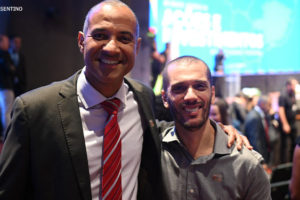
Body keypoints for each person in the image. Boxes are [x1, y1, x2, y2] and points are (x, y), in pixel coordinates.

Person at [0, 1, 248, 200]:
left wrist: (218, 131)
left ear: (137, 47)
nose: (111, 47)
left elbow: (177, 131)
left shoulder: (143, 98)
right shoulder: (34, 111)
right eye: (100, 35)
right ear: (80, 41)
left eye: (124, 38)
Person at [160, 56, 271, 200]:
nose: (190, 96)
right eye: (179, 88)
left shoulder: (246, 164)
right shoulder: (151, 152)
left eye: (199, 86)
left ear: (212, 94)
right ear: (164, 98)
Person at [278, 78, 299, 163]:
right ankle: (286, 167)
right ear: (288, 85)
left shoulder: (293, 94)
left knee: (295, 144)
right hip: (287, 125)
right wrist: (285, 124)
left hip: (294, 124)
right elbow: (281, 110)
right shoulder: (283, 95)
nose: (295, 87)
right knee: (287, 146)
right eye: (294, 85)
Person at [0, 34, 16, 139]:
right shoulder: (5, 54)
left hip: (2, 87)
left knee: (4, 112)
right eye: (6, 41)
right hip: (6, 87)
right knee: (8, 112)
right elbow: (10, 69)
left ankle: (5, 134)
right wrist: (12, 68)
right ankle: (9, 135)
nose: (8, 43)